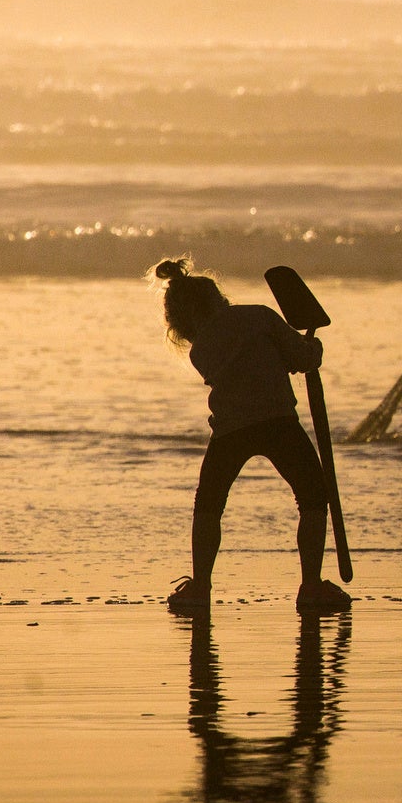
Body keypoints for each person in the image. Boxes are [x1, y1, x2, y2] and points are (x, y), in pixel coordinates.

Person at [151, 258, 351, 616]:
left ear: (181, 324)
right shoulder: (259, 316)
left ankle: (201, 586)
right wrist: (313, 351)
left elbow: (242, 365)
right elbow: (302, 358)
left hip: (230, 429)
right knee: (312, 496)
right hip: (278, 421)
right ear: (218, 297)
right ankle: (310, 584)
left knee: (209, 503)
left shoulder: (201, 351)